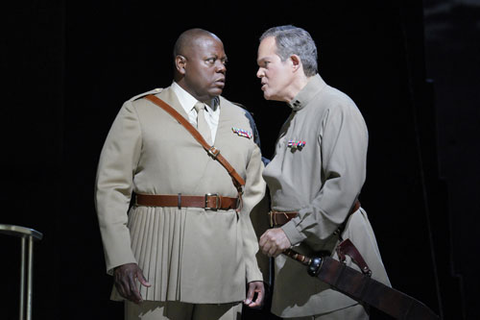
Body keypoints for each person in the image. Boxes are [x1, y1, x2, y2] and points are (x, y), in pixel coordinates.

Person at [95, 28, 266, 320]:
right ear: (182, 64)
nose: (222, 67)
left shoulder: (240, 118)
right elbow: (111, 189)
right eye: (212, 60)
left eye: (224, 61)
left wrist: (254, 268)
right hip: (157, 254)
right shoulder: (140, 111)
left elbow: (251, 202)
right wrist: (121, 257)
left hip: (223, 260)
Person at [256, 25, 390, 319]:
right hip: (297, 276)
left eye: (265, 64)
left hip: (333, 278)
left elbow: (342, 189)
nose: (259, 74)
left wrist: (289, 232)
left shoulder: (336, 107)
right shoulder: (295, 117)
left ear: (293, 63)